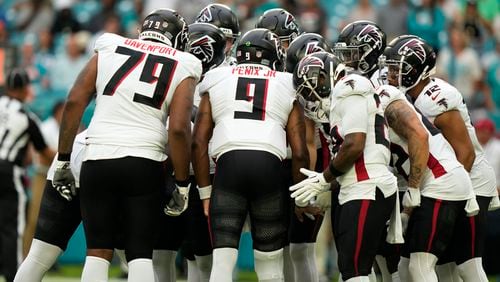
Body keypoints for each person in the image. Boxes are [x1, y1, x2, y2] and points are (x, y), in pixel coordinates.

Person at [52, 9, 202, 282]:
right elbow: (179, 129)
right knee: (140, 253)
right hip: (144, 159)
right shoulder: (185, 62)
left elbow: (74, 101)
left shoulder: (110, 45)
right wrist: (181, 184)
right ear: (177, 38)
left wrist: (63, 158)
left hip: (97, 154)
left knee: (97, 251)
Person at [192, 28, 309, 282]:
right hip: (269, 167)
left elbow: (199, 141)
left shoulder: (216, 77)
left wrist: (204, 192)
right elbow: (299, 151)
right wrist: (301, 197)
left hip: (228, 167)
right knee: (269, 263)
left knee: (222, 262)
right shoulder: (286, 82)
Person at [384, 34, 497, 282]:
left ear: (416, 69)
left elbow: (464, 153)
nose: (391, 74)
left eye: (397, 68)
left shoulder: (434, 98)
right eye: (389, 68)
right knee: (443, 267)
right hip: (446, 183)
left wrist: (449, 193)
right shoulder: (408, 97)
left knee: (468, 264)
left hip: (471, 181)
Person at [291, 52, 398, 281]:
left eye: (316, 82)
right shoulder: (343, 95)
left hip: (367, 187)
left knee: (355, 268)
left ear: (329, 73)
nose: (314, 93)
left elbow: (354, 145)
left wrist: (323, 179)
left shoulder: (349, 85)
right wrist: (329, 186)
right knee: (358, 267)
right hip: (360, 187)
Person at [0, 68, 54, 282]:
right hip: (7, 171)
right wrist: (67, 158)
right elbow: (44, 151)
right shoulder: (26, 116)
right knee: (12, 226)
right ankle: (13, 274)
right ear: (24, 90)